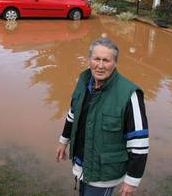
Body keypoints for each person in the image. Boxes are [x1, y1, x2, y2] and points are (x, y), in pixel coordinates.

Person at [56, 38, 149, 196]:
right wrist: (63, 141)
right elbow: (72, 115)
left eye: (106, 60)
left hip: (104, 172)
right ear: (89, 60)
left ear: (115, 63)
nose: (100, 65)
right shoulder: (83, 81)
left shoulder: (129, 94)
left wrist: (132, 180)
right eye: (96, 59)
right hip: (83, 164)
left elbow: (139, 143)